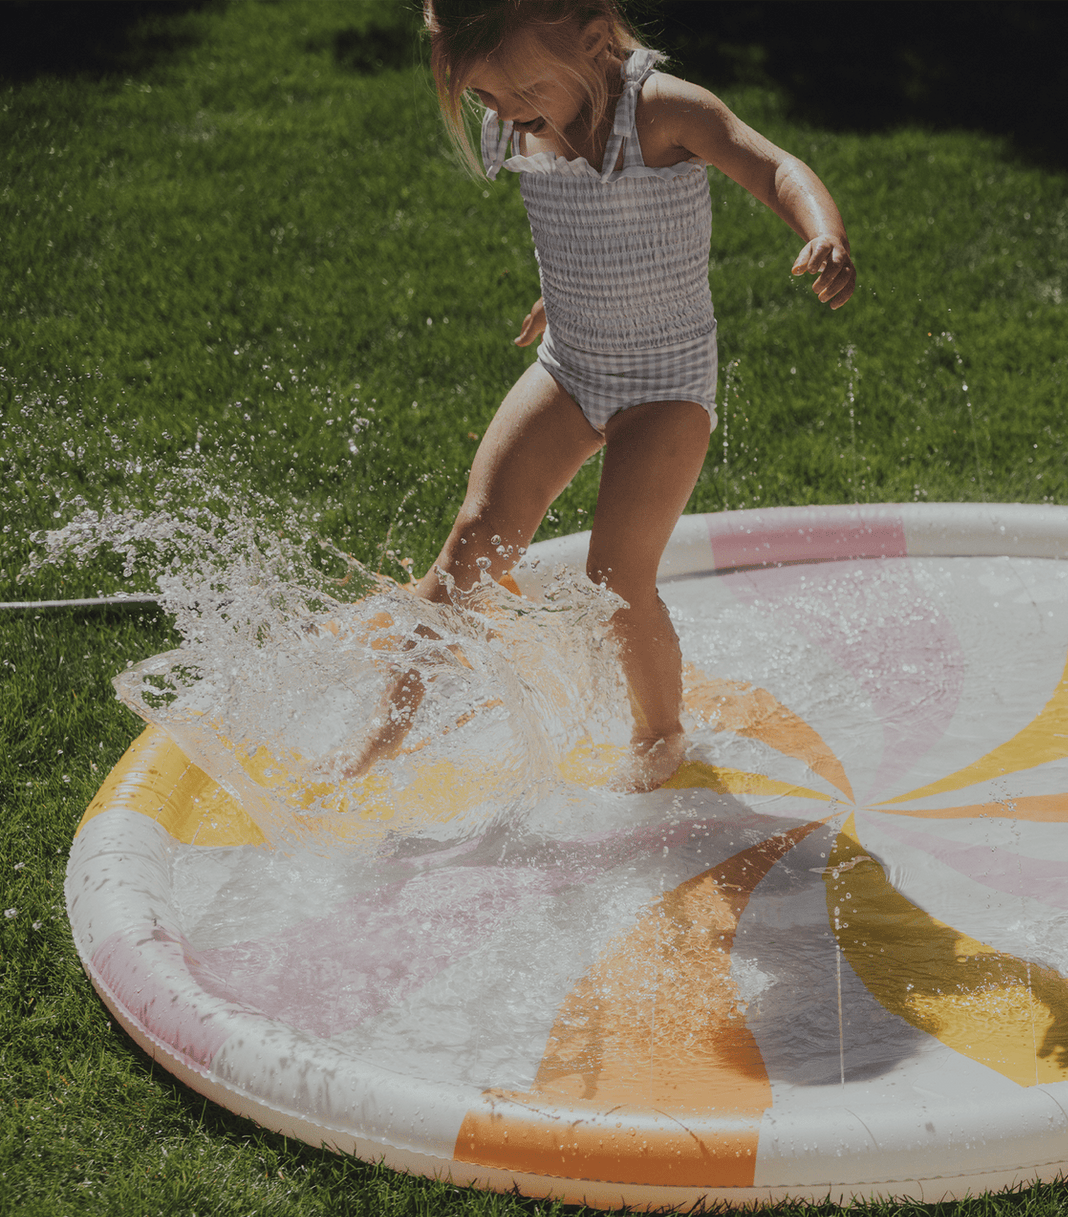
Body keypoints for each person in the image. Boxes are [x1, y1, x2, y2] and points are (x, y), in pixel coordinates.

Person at [344, 0, 855, 789]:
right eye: (484, 100)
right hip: (570, 365)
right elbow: (585, 222)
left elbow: (772, 164)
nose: (507, 116)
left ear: (589, 37)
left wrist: (821, 231)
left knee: (616, 574)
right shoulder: (523, 116)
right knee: (475, 538)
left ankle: (658, 735)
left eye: (520, 94)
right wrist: (569, 295)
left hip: (666, 385)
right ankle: (387, 725)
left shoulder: (661, 110)